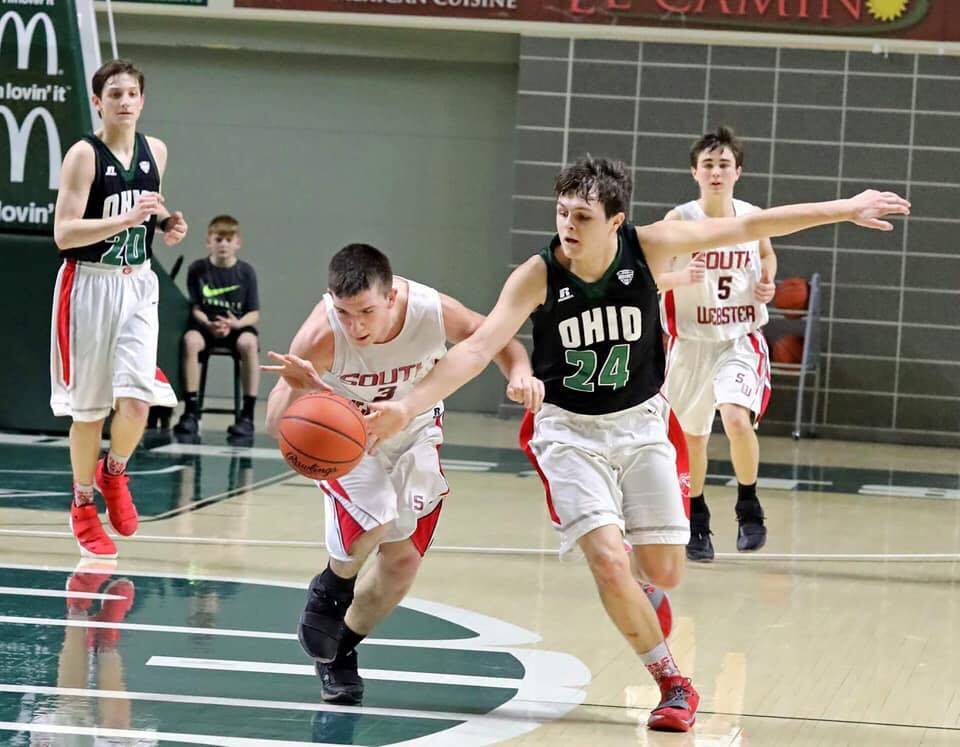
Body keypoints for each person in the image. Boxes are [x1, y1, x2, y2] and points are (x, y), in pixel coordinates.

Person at [365, 157, 908, 733]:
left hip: (644, 425)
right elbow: (475, 351)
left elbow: (752, 227)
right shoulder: (538, 274)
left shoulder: (651, 247)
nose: (567, 226)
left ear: (616, 220)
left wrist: (846, 209)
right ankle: (674, 683)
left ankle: (643, 585)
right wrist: (405, 405)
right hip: (568, 432)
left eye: (582, 216)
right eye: (561, 212)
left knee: (665, 572)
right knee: (606, 559)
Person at [262, 243, 538, 705]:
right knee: (377, 514)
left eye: (366, 311)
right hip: (347, 438)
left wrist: (521, 372)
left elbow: (499, 339)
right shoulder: (319, 337)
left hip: (414, 428)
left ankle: (339, 652)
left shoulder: (431, 311)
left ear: (392, 297)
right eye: (345, 313)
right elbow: (275, 426)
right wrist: (300, 389)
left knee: (402, 564)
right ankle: (330, 589)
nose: (356, 326)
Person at [51, 59, 188, 560]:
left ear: (142, 100)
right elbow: (64, 233)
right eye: (115, 94)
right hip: (88, 286)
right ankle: (82, 503)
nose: (125, 101)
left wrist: (167, 224)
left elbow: (148, 208)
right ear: (98, 102)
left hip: (139, 286)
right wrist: (128, 218)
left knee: (137, 400)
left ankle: (115, 473)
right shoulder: (83, 156)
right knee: (88, 412)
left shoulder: (158, 151)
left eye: (132, 93)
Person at [654, 126, 776, 561]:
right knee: (693, 440)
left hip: (738, 338)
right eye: (708, 164)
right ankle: (697, 517)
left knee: (736, 418)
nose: (716, 171)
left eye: (724, 164)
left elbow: (765, 253)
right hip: (689, 344)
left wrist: (768, 282)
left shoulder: (751, 216)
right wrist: (679, 278)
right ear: (695, 172)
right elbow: (651, 276)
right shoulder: (679, 221)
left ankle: (749, 505)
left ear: (738, 171)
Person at [173, 215, 261, 438]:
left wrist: (236, 324)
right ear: (208, 242)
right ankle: (191, 412)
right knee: (190, 341)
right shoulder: (197, 269)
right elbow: (194, 307)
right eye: (218, 239)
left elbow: (254, 314)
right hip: (206, 326)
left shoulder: (246, 272)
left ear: (237, 243)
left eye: (228, 239)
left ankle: (248, 415)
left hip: (236, 326)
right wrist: (209, 323)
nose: (223, 244)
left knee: (249, 343)